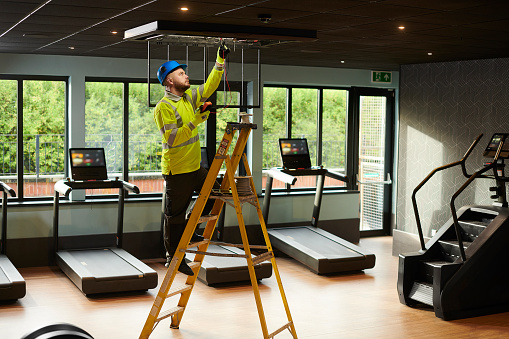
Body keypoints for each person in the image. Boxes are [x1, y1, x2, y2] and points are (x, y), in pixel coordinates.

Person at [154, 43, 230, 276]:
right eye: (180, 73)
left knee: (215, 193)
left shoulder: (189, 98)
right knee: (173, 217)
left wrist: (220, 62)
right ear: (169, 81)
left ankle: (191, 228)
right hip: (177, 171)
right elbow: (173, 138)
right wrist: (196, 121)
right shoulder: (163, 107)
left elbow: (209, 86)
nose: (186, 75)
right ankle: (173, 259)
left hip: (195, 167)